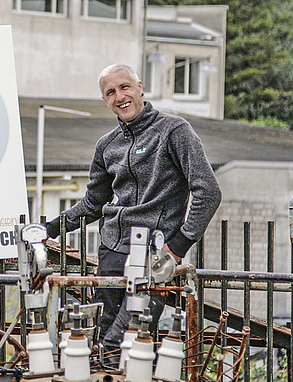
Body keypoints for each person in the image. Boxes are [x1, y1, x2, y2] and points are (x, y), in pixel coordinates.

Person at [46, 64, 221, 357]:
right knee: (102, 336)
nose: (119, 96)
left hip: (154, 254)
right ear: (105, 100)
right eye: (110, 92)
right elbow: (93, 204)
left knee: (128, 337)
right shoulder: (106, 145)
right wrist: (49, 230)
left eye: (124, 87)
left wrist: (177, 247)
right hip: (112, 250)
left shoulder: (173, 131)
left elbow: (208, 191)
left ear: (140, 87)